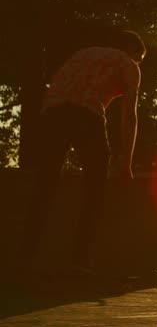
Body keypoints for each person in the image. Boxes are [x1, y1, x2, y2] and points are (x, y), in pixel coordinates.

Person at [21, 30, 146, 273]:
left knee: (45, 185)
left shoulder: (82, 54)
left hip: (51, 114)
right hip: (86, 114)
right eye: (139, 59)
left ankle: (27, 255)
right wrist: (126, 163)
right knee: (96, 186)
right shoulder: (127, 62)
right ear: (133, 51)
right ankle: (79, 259)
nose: (138, 64)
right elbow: (129, 115)